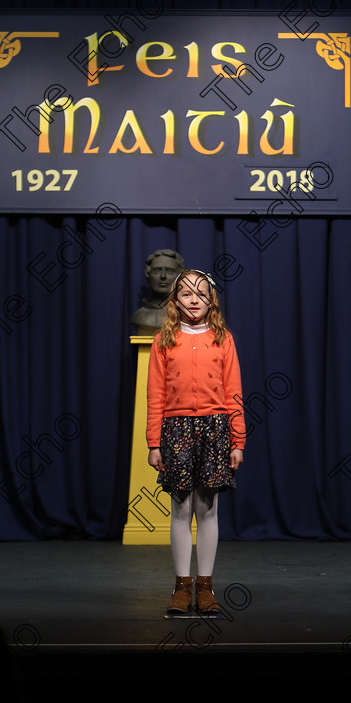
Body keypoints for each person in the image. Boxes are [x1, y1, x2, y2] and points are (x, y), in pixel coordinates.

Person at [146, 269, 245, 615]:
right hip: (176, 430)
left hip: (215, 429)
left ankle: (205, 588)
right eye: (187, 294)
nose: (194, 301)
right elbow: (155, 395)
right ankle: (180, 587)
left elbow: (233, 394)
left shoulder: (223, 339)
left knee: (207, 509)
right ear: (175, 299)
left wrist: (238, 441)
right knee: (181, 508)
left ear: (211, 299)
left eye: (201, 295)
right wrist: (154, 442)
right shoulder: (164, 340)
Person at [130, 249, 185, 335]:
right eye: (157, 271)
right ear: (147, 274)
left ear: (179, 276)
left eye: (169, 271)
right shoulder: (139, 317)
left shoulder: (185, 316)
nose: (163, 276)